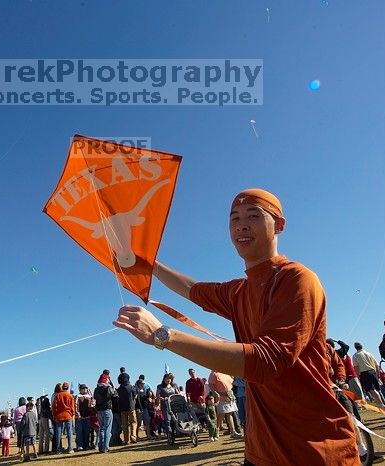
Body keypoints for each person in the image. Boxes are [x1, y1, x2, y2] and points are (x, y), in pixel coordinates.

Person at [113, 188, 358, 465]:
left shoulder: (296, 279)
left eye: (254, 215)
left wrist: (164, 336)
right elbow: (193, 289)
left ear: (279, 225)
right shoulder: (239, 291)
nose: (241, 224)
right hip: (260, 451)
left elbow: (266, 361)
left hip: (313, 449)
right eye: (234, 218)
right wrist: (148, 264)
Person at [351, 343, 385, 407]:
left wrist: (358, 376)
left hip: (365, 373)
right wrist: (378, 374)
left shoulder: (355, 356)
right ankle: (383, 402)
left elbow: (356, 367)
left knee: (372, 390)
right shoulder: (369, 354)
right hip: (373, 371)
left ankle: (380, 404)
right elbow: (376, 365)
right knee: (377, 389)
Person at [93, 372, 116, 453]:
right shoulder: (108, 388)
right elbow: (115, 395)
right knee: (107, 429)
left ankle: (100, 446)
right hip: (107, 410)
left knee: (101, 429)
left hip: (99, 411)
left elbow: (95, 398)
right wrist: (112, 385)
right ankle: (105, 447)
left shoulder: (96, 389)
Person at [52, 382, 75, 453]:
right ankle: (70, 448)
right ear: (67, 388)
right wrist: (72, 414)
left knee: (58, 433)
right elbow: (72, 406)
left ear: (62, 387)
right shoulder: (70, 395)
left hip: (59, 416)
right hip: (68, 415)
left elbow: (54, 407)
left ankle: (58, 449)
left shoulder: (57, 395)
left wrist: (54, 415)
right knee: (69, 432)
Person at [117, 372, 137, 444]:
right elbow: (135, 396)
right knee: (133, 422)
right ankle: (133, 436)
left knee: (124, 425)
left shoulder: (119, 389)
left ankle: (126, 440)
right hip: (131, 407)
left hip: (122, 409)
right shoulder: (131, 387)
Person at [155, 372, 178, 438]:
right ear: (164, 379)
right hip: (165, 405)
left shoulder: (174, 385)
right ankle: (170, 435)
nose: (168, 380)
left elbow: (177, 393)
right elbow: (158, 396)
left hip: (174, 405)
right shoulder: (160, 386)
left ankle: (176, 432)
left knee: (175, 419)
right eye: (167, 378)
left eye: (170, 379)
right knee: (168, 420)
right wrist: (162, 399)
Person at [75, 384, 92, 450]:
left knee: (87, 432)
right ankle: (79, 445)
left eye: (85, 388)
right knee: (79, 432)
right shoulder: (77, 396)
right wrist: (77, 413)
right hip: (80, 418)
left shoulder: (89, 396)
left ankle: (86, 445)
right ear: (80, 390)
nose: (85, 389)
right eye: (83, 388)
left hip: (87, 417)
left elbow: (91, 405)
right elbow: (75, 405)